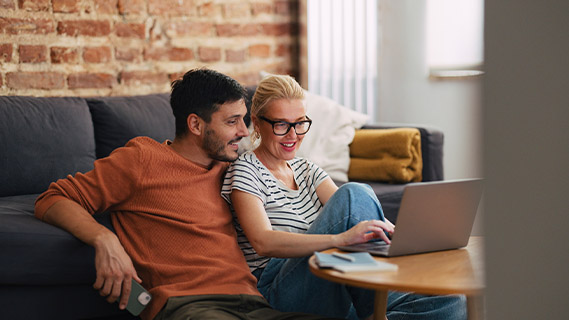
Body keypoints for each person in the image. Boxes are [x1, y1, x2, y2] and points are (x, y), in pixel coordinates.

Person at [34, 68, 338, 320]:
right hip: (190, 306)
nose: (245, 132)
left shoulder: (233, 170)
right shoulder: (142, 160)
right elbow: (54, 198)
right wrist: (105, 240)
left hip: (255, 304)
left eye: (244, 120)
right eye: (232, 122)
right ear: (195, 124)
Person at [221, 74, 467, 320]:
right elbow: (263, 242)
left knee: (451, 302)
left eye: (300, 123)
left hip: (335, 281)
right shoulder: (245, 170)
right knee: (354, 192)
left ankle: (375, 308)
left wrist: (404, 237)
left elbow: (358, 213)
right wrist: (341, 239)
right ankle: (375, 311)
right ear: (256, 122)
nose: (293, 135)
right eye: (282, 124)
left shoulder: (308, 169)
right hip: (279, 291)